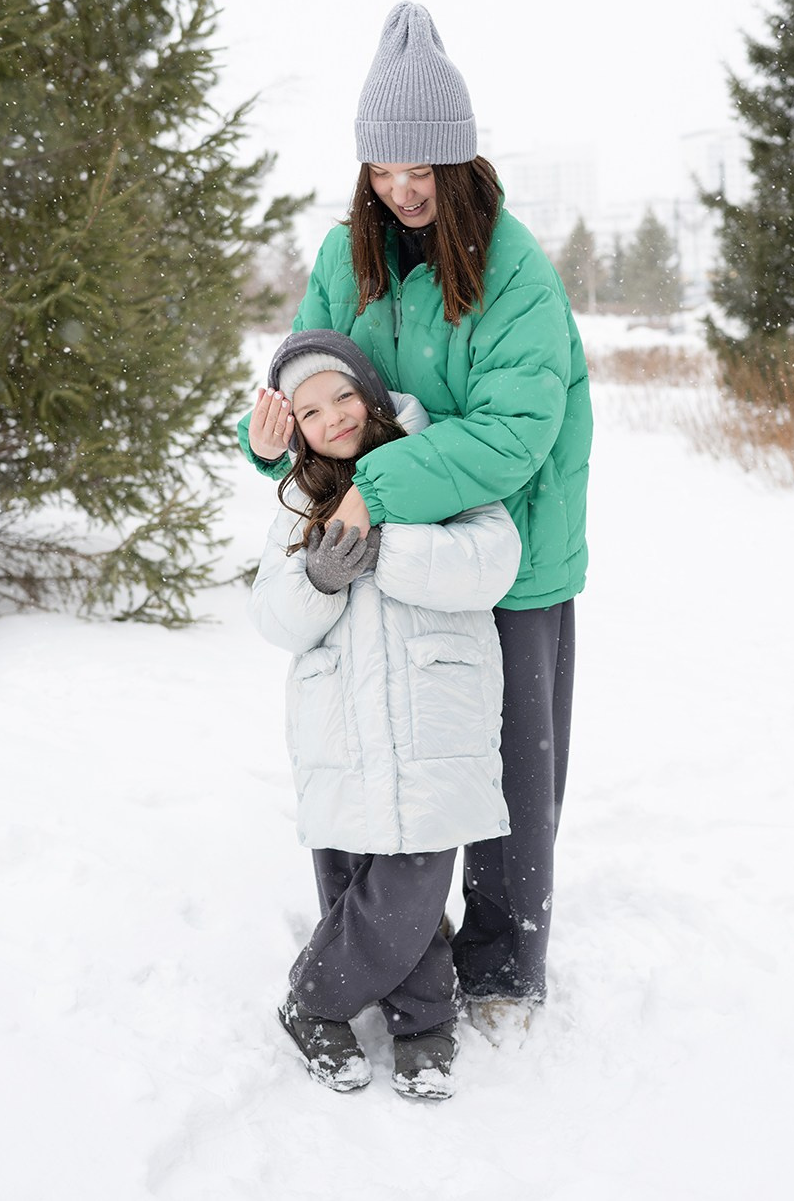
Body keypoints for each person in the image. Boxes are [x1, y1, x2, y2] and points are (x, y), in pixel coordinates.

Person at [241, 2, 592, 1045]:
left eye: (420, 171)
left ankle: (501, 959)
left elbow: (512, 433)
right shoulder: (344, 259)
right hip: (377, 548)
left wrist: (379, 493)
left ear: (460, 166)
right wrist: (271, 444)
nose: (400, 189)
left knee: (507, 768)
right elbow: (315, 383)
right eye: (383, 169)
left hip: (509, 546)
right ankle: (396, 949)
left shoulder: (515, 271)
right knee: (380, 736)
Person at [249, 328, 521, 1100]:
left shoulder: (440, 463)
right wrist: (319, 579)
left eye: (342, 394)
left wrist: (388, 548)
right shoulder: (302, 497)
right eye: (309, 411)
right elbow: (271, 616)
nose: (332, 417)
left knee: (414, 874)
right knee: (354, 875)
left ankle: (314, 999)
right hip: (339, 724)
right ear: (294, 430)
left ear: (371, 394)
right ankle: (423, 1017)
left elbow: (490, 563)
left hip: (433, 718)